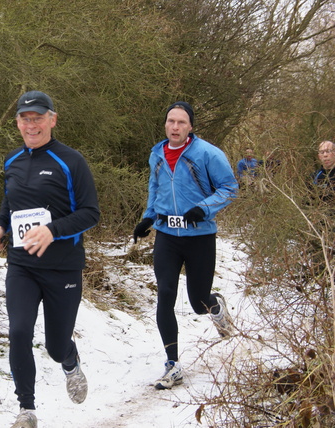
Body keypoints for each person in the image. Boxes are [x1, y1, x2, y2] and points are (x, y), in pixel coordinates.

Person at [0, 90, 100, 428]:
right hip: (21, 266)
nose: (30, 124)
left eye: (37, 117)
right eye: (24, 118)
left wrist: (52, 230)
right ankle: (26, 410)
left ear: (52, 119)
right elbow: (10, 203)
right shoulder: (11, 161)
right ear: (17, 121)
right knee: (19, 331)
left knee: (55, 344)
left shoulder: (71, 161)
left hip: (63, 266)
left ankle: (70, 360)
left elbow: (91, 213)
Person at [132, 101, 238, 390]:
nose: (175, 127)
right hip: (167, 235)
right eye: (170, 121)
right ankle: (172, 364)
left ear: (190, 126)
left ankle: (216, 308)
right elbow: (155, 189)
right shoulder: (157, 154)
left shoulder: (208, 154)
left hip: (200, 236)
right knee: (165, 292)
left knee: (198, 301)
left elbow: (230, 189)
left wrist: (203, 209)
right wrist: (148, 219)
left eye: (181, 122)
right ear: (165, 124)